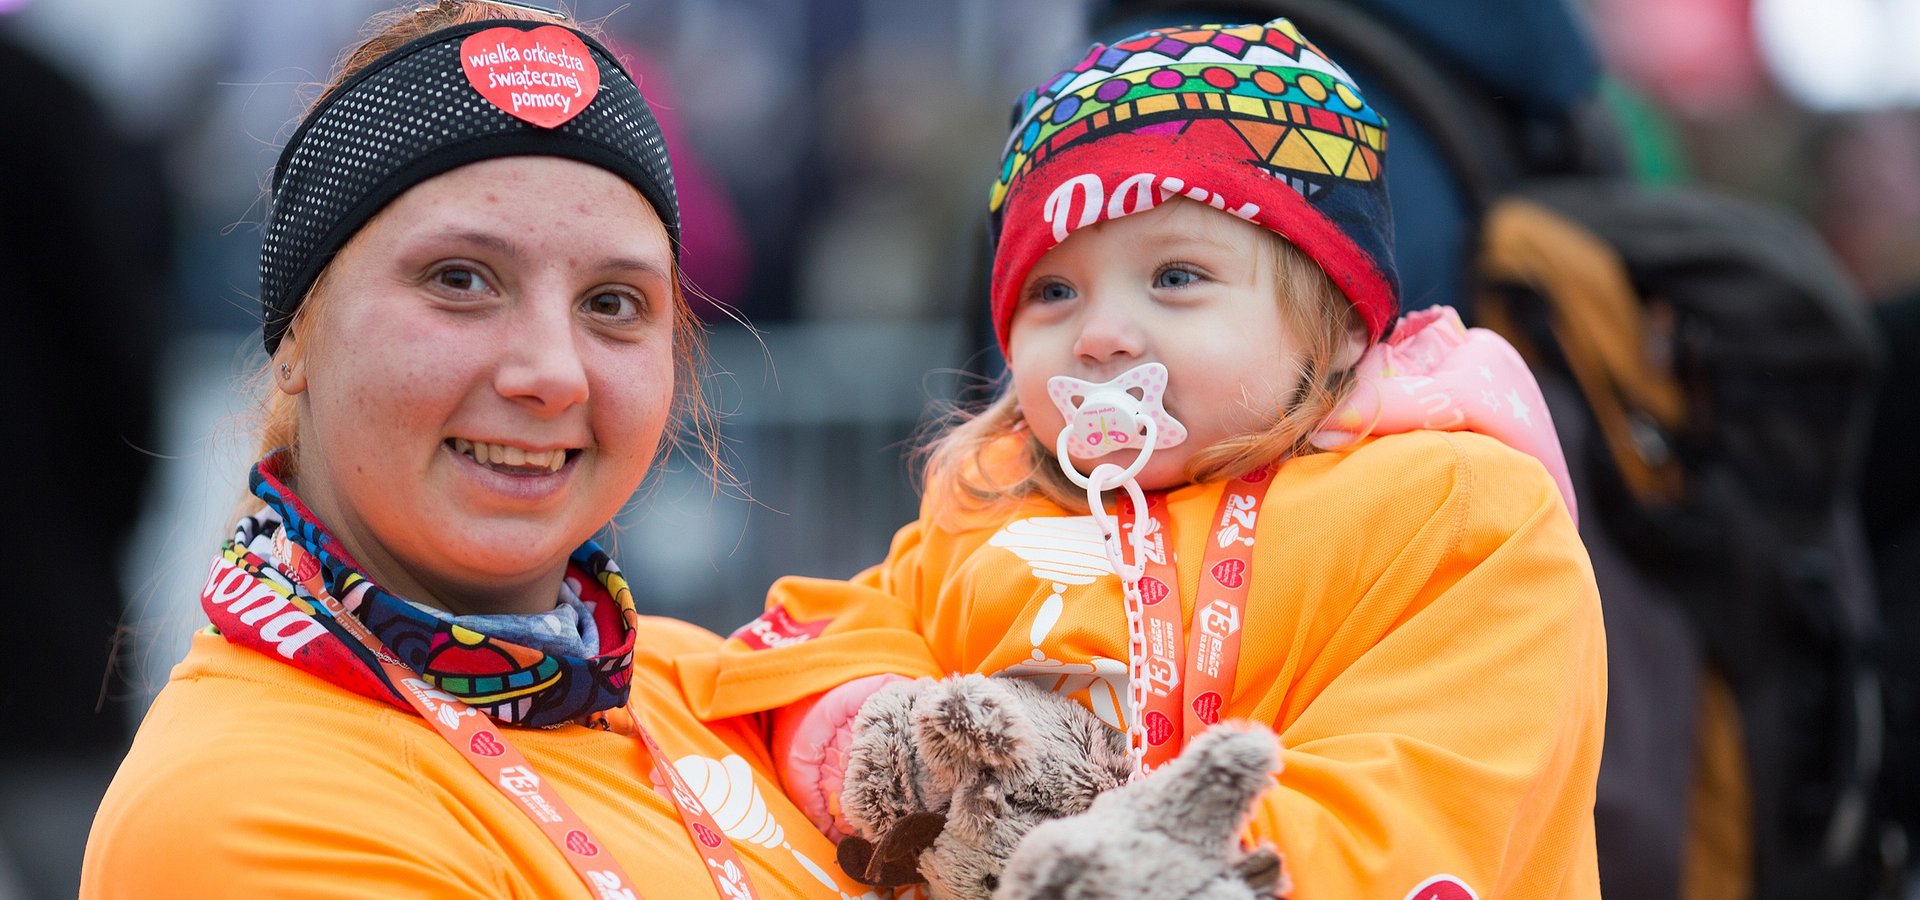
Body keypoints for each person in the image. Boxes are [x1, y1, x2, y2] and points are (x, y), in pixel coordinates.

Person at [681, 18, 1606, 898]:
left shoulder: (1457, 509)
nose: (1103, 335)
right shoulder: (984, 515)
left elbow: (1426, 790)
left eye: (1176, 277)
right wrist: (881, 736)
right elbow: (810, 647)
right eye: (1053, 291)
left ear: (1334, 324)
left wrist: (1186, 870)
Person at [79, 3, 879, 897]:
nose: (552, 374)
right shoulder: (243, 806)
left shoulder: (714, 686)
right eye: (460, 280)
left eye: (613, 302)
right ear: (297, 335)